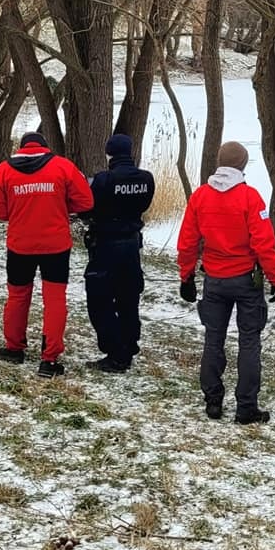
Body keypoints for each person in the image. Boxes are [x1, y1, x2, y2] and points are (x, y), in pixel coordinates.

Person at [177, 141, 275, 424]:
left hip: (214, 280)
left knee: (214, 340)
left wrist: (186, 275)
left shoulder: (200, 196)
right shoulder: (250, 198)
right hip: (246, 281)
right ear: (243, 165)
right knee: (249, 342)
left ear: (219, 162)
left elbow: (188, 242)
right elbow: (264, 244)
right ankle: (246, 407)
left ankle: (213, 401)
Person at [0, 131, 94, 377]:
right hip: (56, 245)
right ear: (45, 148)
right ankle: (49, 360)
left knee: (17, 296)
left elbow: (0, 212)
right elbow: (86, 202)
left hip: (19, 245)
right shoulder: (63, 167)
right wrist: (60, 205)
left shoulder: (3, 171)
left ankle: (14, 348)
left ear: (22, 148)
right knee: (55, 299)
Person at [81, 134, 155, 373]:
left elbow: (87, 207)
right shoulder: (146, 179)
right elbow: (143, 205)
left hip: (105, 244)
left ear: (109, 154)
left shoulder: (103, 180)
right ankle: (129, 344)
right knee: (128, 297)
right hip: (132, 244)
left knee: (99, 299)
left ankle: (115, 351)